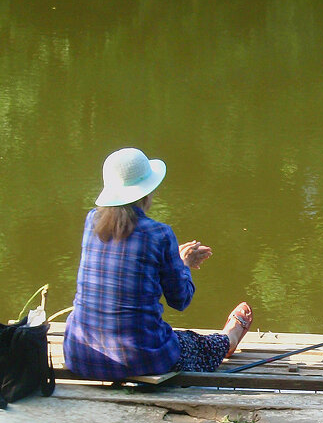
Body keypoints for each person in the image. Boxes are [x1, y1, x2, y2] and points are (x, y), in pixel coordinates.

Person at [63, 147, 252, 380]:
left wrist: (170, 259)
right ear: (147, 192)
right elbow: (180, 300)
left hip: (80, 355)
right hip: (140, 359)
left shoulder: (91, 220)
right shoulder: (159, 234)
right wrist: (181, 264)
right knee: (195, 344)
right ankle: (229, 339)